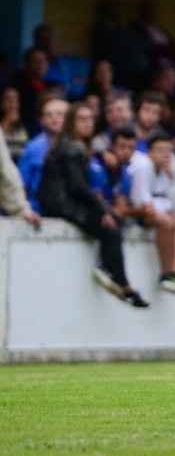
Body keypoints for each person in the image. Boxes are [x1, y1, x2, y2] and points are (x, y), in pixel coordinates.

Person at [36, 103, 149, 308]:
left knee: (114, 222)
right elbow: (77, 186)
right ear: (72, 121)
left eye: (90, 119)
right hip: (62, 204)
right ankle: (123, 285)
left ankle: (115, 276)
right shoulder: (74, 147)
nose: (87, 123)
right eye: (82, 119)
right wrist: (101, 209)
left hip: (57, 201)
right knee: (111, 228)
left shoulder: (70, 143)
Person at [128, 133, 175, 297]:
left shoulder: (167, 170)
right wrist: (164, 205)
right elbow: (142, 201)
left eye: (168, 150)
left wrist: (172, 179)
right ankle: (165, 273)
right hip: (136, 211)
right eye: (160, 150)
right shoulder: (143, 166)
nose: (165, 154)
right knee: (166, 220)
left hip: (157, 211)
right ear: (150, 152)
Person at [18, 96, 68, 213]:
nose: (54, 118)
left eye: (60, 114)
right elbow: (21, 184)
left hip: (70, 211)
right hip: (38, 213)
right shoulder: (32, 147)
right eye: (48, 114)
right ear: (42, 120)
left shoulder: (78, 145)